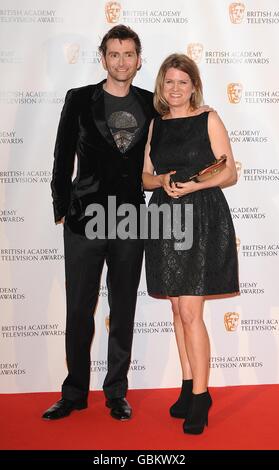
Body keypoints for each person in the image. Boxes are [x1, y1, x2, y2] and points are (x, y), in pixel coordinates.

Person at [42, 24, 155, 421]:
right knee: (79, 309)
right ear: (103, 57)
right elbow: (62, 157)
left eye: (128, 54)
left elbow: (173, 141)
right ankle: (73, 392)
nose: (121, 61)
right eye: (114, 53)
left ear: (138, 60)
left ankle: (116, 392)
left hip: (129, 220)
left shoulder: (151, 103)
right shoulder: (79, 100)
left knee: (123, 308)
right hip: (85, 219)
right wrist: (62, 207)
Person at [142, 53, 239, 434]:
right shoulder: (156, 125)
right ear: (161, 87)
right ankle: (186, 386)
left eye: (183, 82)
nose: (176, 88)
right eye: (169, 82)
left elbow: (228, 170)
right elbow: (145, 177)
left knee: (190, 313)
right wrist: (163, 181)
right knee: (176, 308)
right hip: (165, 218)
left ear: (194, 85)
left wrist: (195, 185)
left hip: (202, 217)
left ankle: (201, 397)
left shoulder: (209, 118)